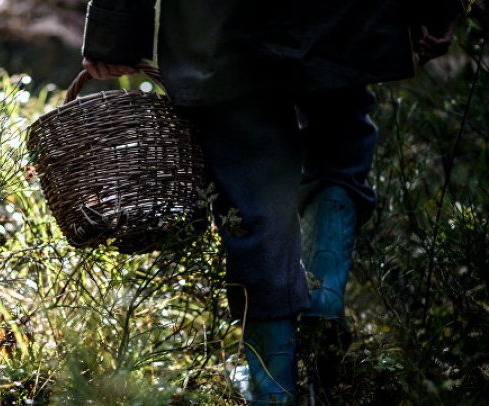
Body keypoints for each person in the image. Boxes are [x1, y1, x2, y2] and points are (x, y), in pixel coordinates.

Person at [80, 0, 462, 403]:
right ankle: (324, 295)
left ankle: (272, 390)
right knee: (340, 149)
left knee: (253, 199)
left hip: (219, 27)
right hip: (341, 18)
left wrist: (113, 33)